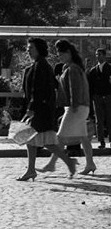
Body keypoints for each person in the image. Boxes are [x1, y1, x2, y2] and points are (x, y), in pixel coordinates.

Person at [17, 38, 73, 181]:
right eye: (28, 48)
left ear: (39, 49)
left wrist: (32, 108)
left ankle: (67, 163)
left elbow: (39, 90)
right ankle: (32, 170)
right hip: (40, 110)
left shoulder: (41, 66)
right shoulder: (39, 65)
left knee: (41, 141)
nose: (28, 50)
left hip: (40, 111)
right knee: (39, 141)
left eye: (31, 48)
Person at [44, 40, 97, 176]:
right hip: (80, 106)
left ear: (68, 53)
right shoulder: (73, 67)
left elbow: (75, 89)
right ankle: (90, 163)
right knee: (83, 138)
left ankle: (52, 164)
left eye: (61, 53)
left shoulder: (72, 69)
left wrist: (73, 106)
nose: (59, 56)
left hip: (76, 107)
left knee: (60, 138)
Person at [87, 47, 111, 152]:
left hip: (109, 96)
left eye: (100, 54)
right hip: (97, 97)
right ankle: (101, 141)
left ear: (104, 56)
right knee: (99, 120)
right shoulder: (93, 71)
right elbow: (90, 86)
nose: (98, 56)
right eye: (96, 54)